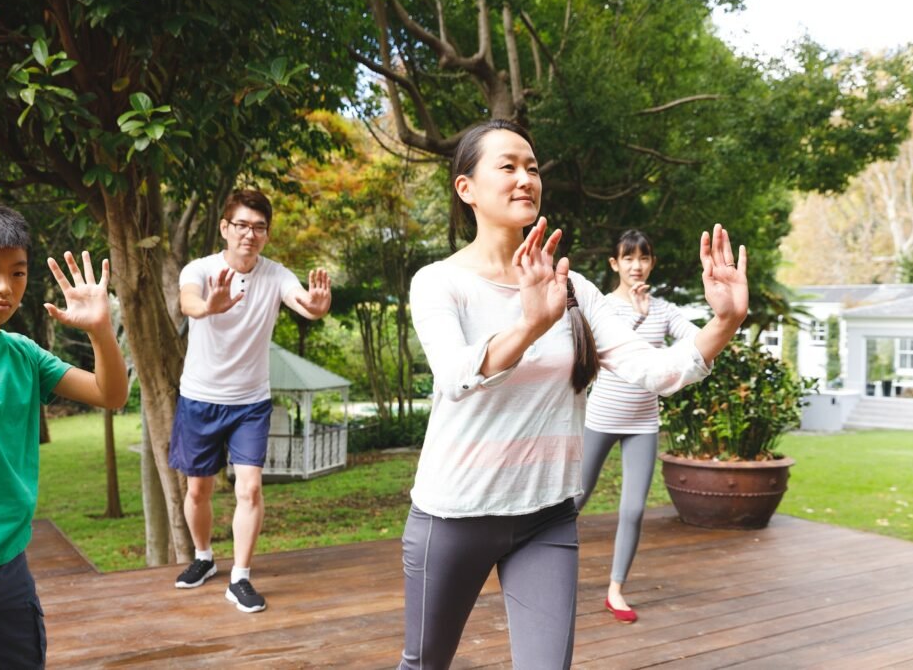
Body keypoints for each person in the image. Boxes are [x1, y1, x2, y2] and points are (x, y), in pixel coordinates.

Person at [399, 119, 748, 669]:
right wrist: (530, 326)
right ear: (465, 188)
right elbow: (454, 377)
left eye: (533, 168)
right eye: (508, 166)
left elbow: (653, 371)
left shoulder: (574, 288)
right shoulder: (439, 282)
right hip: (455, 516)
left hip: (546, 515)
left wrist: (723, 323)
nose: (525, 179)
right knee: (425, 664)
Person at [0, 201, 128, 669]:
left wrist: (100, 330)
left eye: (17, 274)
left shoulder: (23, 353)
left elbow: (109, 394)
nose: (4, 288)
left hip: (10, 561)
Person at [169, 189, 331, 613]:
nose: (250, 235)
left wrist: (314, 307)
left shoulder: (275, 275)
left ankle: (239, 577)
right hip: (199, 398)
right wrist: (208, 306)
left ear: (266, 234)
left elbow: (303, 301)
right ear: (225, 228)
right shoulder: (200, 270)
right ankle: (203, 558)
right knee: (198, 489)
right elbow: (187, 301)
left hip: (251, 402)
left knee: (251, 488)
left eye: (259, 228)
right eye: (242, 225)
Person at [575, 229, 700, 624]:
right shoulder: (602, 307)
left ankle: (616, 590)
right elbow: (604, 353)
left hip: (643, 422)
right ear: (615, 264)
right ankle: (527, 563)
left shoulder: (663, 310)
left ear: (651, 263)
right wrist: (638, 317)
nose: (636, 265)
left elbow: (697, 342)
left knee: (632, 510)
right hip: (601, 418)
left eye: (643, 258)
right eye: (628, 258)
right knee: (572, 502)